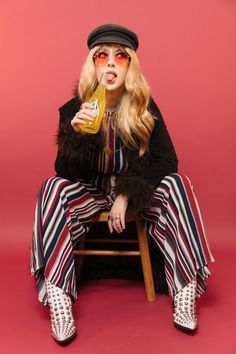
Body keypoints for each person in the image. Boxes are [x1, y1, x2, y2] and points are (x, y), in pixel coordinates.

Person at [30, 23, 215, 344]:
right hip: (90, 191)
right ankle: (59, 296)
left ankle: (184, 290)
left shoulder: (145, 108)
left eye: (120, 56)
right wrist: (75, 135)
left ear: (130, 65)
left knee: (177, 183)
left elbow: (166, 161)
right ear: (94, 64)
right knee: (51, 188)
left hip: (131, 190)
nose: (112, 62)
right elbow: (64, 172)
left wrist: (126, 195)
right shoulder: (75, 109)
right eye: (103, 56)